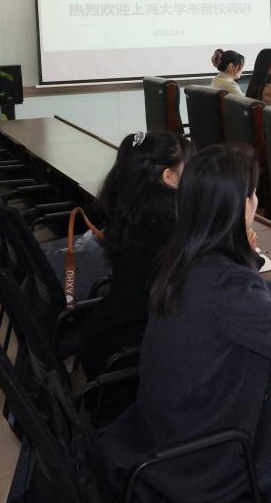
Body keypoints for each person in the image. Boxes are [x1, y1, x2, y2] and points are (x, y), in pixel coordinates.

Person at [100, 144, 271, 503]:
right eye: (252, 195)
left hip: (174, 429)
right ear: (239, 207)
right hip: (210, 460)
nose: (256, 202)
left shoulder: (183, 258)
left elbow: (239, 304)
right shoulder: (226, 282)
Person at [79, 130, 195, 379]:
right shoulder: (167, 232)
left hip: (106, 336)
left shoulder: (134, 212)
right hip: (128, 355)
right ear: (169, 177)